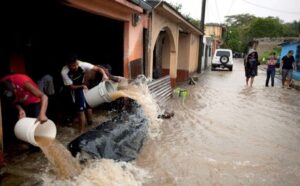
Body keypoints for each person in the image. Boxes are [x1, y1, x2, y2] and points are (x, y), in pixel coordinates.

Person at [61, 53, 109, 133]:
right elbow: (71, 87)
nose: (75, 67)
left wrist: (104, 75)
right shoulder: (64, 72)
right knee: (80, 110)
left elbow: (97, 68)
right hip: (75, 88)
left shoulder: (82, 64)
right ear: (68, 65)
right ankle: (81, 132)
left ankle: (90, 123)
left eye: (76, 64)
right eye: (73, 65)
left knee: (88, 103)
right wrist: (82, 87)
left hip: (84, 84)